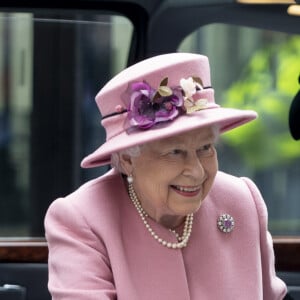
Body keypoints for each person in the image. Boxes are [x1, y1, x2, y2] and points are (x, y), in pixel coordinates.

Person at [44, 53, 287, 299]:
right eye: (175, 152)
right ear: (128, 160)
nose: (197, 171)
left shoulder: (242, 201)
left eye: (205, 148)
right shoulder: (82, 219)